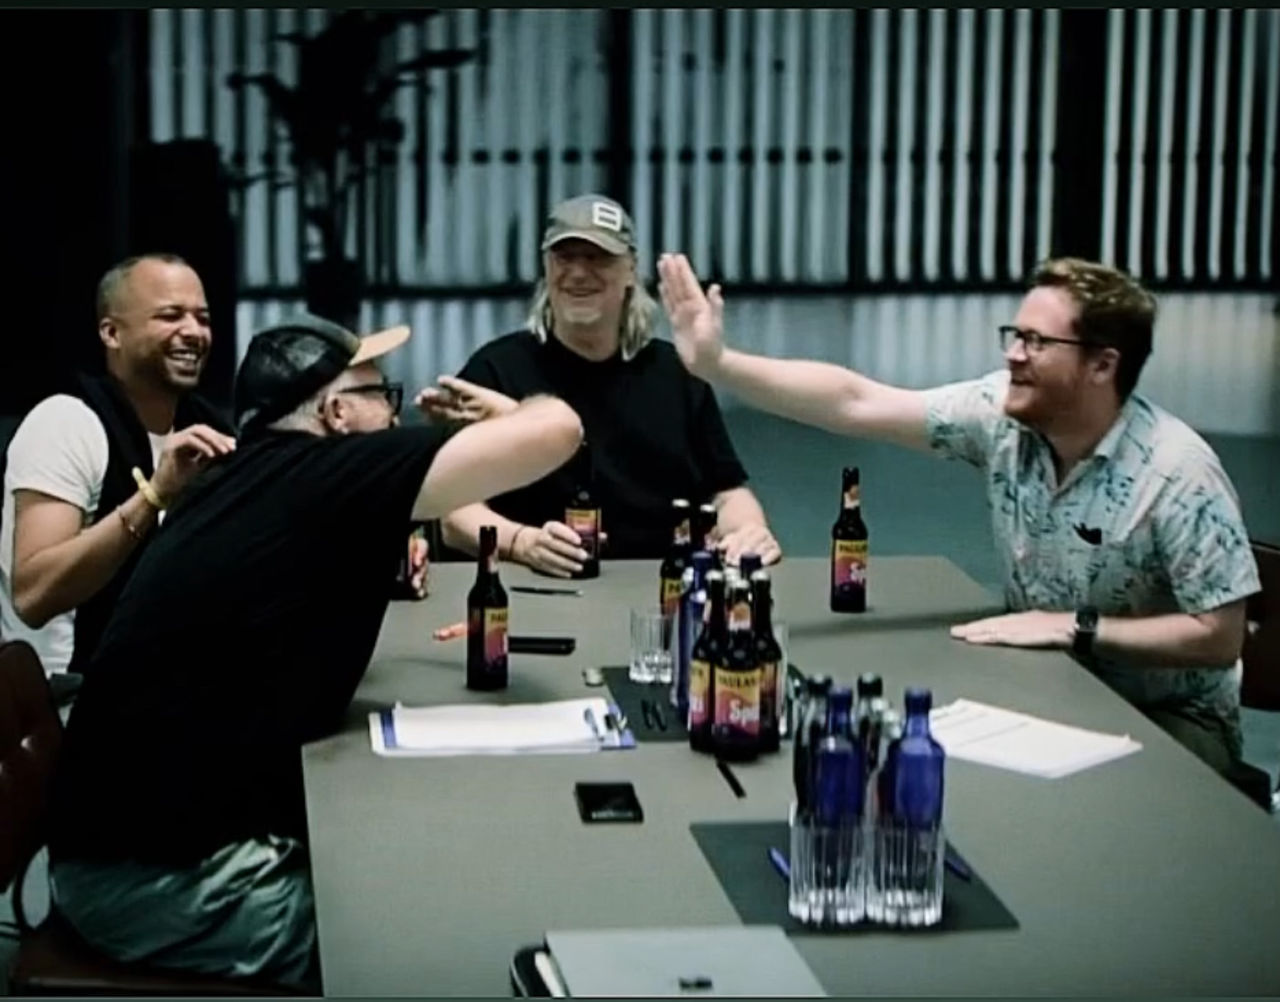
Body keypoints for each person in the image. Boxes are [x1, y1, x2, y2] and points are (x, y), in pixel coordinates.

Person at [46, 313, 583, 988]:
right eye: (380, 394)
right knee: (438, 940)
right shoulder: (320, 474)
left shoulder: (254, 475)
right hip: (152, 882)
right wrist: (510, 411)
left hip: (141, 843)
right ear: (335, 412)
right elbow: (560, 429)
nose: (393, 410)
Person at [657, 252, 1261, 775]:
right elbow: (856, 402)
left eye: (1037, 342)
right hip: (1051, 686)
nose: (1014, 355)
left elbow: (1220, 636)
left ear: (1103, 365)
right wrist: (719, 365)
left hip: (1167, 718)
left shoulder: (1178, 472)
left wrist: (1075, 628)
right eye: (1014, 335)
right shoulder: (1001, 417)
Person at [422, 194, 779, 577]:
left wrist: (749, 532)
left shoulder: (678, 374)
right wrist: (521, 543)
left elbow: (727, 492)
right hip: (530, 587)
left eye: (598, 258)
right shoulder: (496, 371)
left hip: (658, 587)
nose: (578, 273)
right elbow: (453, 512)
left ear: (630, 270)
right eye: (565, 257)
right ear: (546, 267)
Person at [0, 253, 234, 683]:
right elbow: (33, 596)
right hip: (66, 694)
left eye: (203, 318)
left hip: (163, 687)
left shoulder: (210, 428)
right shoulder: (66, 422)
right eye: (171, 316)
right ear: (112, 333)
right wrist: (154, 495)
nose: (194, 332)